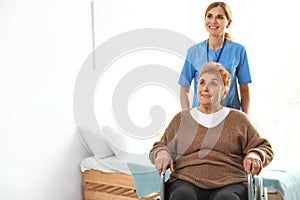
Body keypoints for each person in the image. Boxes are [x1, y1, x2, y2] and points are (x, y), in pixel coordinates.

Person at [149, 62, 273, 200]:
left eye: (213, 84)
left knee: (226, 198)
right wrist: (162, 153)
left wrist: (256, 154)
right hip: (186, 180)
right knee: (182, 196)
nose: (205, 88)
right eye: (202, 82)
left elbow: (264, 147)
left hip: (230, 182)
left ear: (224, 92)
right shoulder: (181, 120)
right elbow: (160, 146)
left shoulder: (239, 119)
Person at [179, 2, 251, 114]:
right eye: (209, 16)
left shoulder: (238, 50)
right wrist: (187, 117)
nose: (213, 21)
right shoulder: (194, 52)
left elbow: (244, 89)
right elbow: (184, 88)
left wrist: (245, 119)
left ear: (229, 23)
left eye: (220, 17)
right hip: (201, 117)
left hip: (230, 116)